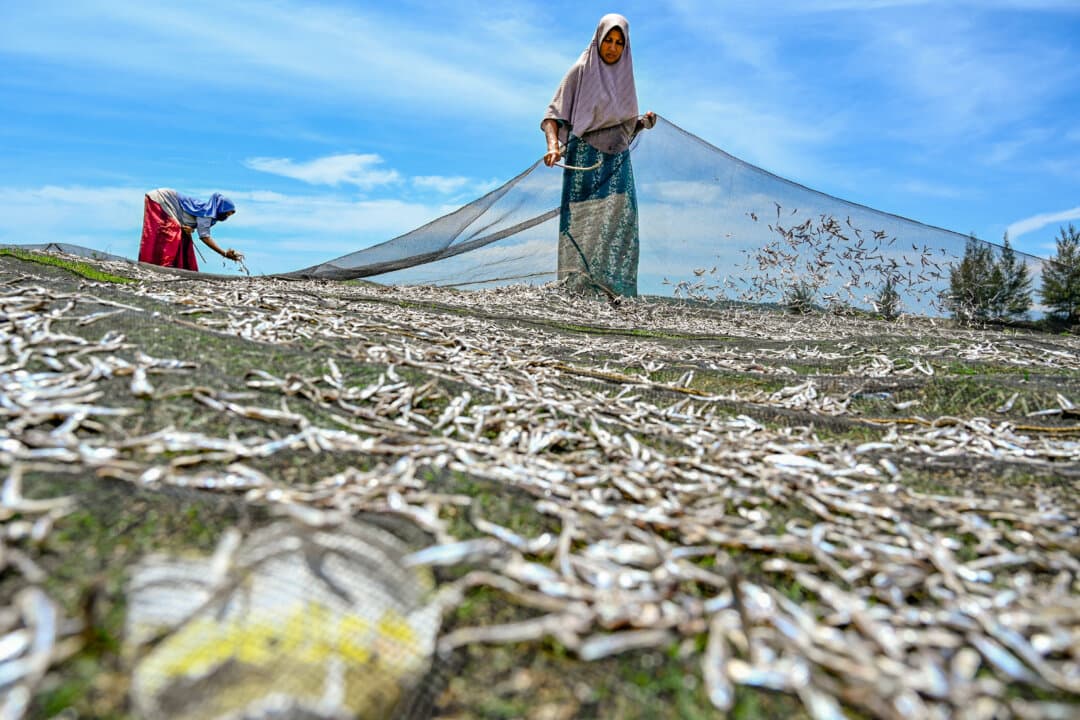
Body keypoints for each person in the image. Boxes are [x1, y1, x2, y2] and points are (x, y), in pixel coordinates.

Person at [541, 13, 656, 299]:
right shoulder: (581, 69)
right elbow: (552, 116)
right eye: (609, 40)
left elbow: (625, 130)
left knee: (620, 226)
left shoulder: (626, 80)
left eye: (619, 42)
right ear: (599, 39)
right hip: (584, 160)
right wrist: (553, 145)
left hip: (617, 163)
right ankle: (576, 293)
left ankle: (615, 296)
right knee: (582, 225)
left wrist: (643, 123)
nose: (613, 47)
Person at [139, 189, 243, 271]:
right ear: (221, 209)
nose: (228, 216)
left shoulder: (208, 215)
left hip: (166, 201)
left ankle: (178, 266)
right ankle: (164, 264)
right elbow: (204, 237)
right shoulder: (207, 214)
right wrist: (224, 253)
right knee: (172, 232)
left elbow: (191, 223)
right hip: (162, 198)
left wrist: (191, 229)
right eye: (228, 212)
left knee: (183, 235)